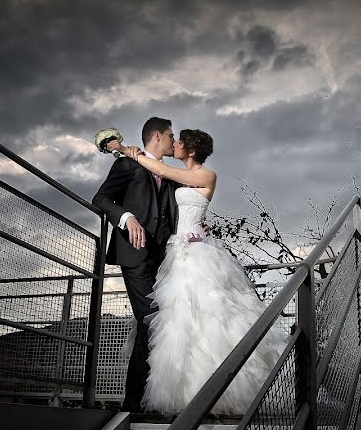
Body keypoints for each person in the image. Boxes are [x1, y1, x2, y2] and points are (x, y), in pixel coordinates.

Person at [110, 129, 286, 415]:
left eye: (179, 142)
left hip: (197, 254)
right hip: (176, 252)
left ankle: (215, 394)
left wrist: (133, 152)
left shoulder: (207, 175)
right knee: (178, 321)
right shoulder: (177, 177)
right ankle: (180, 394)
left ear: (191, 150)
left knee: (208, 319)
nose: (175, 145)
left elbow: (159, 168)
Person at [92, 117, 178, 412]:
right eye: (170, 135)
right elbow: (101, 198)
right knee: (152, 319)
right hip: (135, 256)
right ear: (157, 135)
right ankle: (134, 404)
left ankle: (143, 401)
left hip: (165, 259)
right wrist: (127, 218)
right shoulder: (127, 165)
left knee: (156, 324)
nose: (173, 140)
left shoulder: (166, 173)